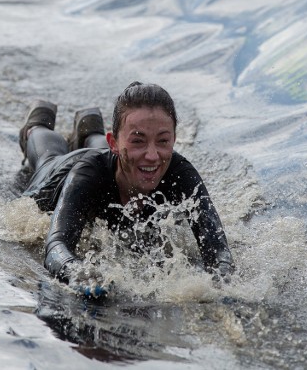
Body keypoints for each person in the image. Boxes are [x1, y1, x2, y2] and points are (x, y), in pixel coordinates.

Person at [18, 81, 234, 297]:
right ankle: (37, 125)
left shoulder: (181, 174)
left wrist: (220, 283)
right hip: (61, 172)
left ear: (174, 140)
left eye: (163, 141)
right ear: (114, 142)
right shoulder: (86, 176)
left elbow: (219, 252)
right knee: (48, 157)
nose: (153, 155)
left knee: (128, 156)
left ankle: (91, 127)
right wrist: (79, 272)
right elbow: (56, 247)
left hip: (117, 158)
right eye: (139, 140)